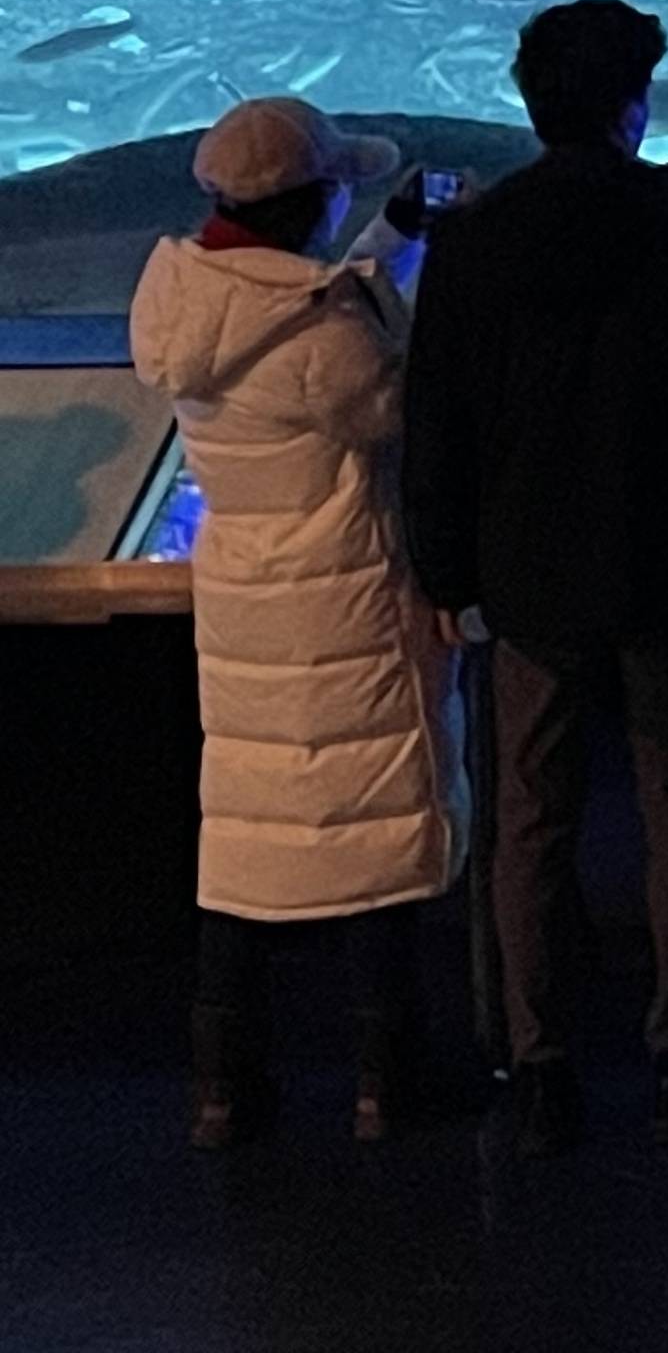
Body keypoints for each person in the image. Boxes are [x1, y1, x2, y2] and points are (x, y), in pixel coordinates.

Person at [402, 0, 668, 1156]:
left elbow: (440, 426)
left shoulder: (475, 241)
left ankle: (538, 1063)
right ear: (635, 106)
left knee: (531, 822)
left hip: (529, 584)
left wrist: (446, 568)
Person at [131, 99, 461, 1149]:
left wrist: (388, 246)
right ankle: (387, 1079)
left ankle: (224, 1085)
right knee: (371, 834)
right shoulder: (324, 335)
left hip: (243, 592)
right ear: (312, 199)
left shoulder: (189, 302)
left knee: (245, 842)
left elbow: (294, 307)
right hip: (344, 590)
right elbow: (386, 398)